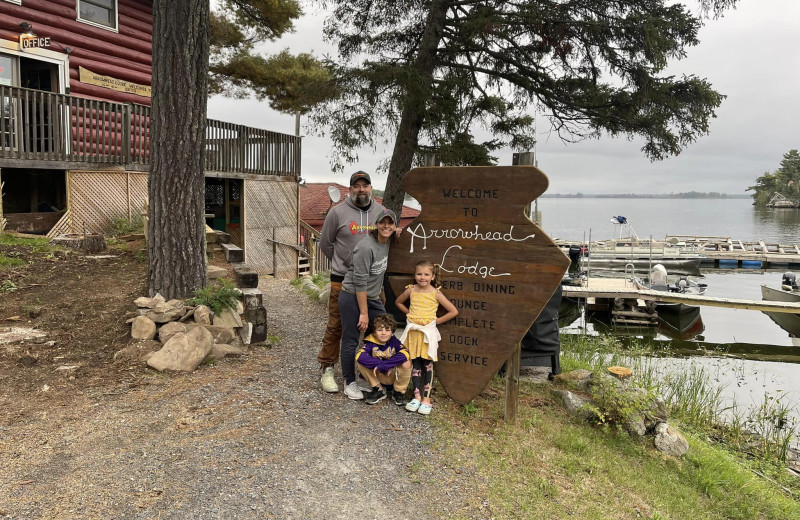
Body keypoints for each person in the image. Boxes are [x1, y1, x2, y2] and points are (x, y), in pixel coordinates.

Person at [317, 171, 385, 393]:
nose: (361, 189)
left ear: (371, 188)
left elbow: (389, 234)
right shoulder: (337, 213)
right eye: (357, 186)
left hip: (372, 283)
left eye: (365, 185)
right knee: (337, 326)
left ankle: (365, 370)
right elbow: (326, 244)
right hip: (342, 282)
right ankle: (327, 368)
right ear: (350, 189)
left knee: (372, 329)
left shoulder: (380, 212)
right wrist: (344, 265)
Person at [338, 208, 398, 400]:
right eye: (383, 222)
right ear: (376, 225)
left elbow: (379, 273)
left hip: (372, 297)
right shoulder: (366, 247)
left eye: (390, 223)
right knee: (351, 338)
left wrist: (381, 295)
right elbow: (360, 281)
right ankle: (349, 382)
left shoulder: (387, 242)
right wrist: (363, 313)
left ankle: (374, 377)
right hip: (352, 295)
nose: (386, 226)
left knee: (385, 333)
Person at [395, 261, 458, 415]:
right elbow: (398, 302)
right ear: (415, 276)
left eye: (426, 274)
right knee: (415, 364)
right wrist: (408, 314)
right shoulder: (411, 290)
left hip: (427, 334)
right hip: (413, 333)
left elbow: (453, 311)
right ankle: (416, 396)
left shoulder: (435, 293)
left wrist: (435, 321)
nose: (422, 277)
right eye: (419, 274)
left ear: (432, 276)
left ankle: (426, 399)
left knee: (427, 365)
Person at [355, 313, 412, 405]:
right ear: (374, 332)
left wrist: (386, 365)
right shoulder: (370, 343)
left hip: (393, 376)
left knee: (407, 362)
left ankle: (399, 392)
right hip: (378, 375)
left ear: (392, 332)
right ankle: (379, 390)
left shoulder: (395, 342)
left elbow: (405, 354)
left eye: (387, 330)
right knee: (361, 362)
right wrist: (380, 365)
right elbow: (359, 356)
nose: (384, 333)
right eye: (380, 330)